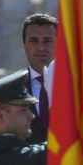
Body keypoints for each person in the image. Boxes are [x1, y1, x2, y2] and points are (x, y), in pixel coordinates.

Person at [21, 13, 56, 143]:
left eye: (47, 41)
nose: (41, 47)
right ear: (24, 46)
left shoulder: (76, 86)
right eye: (34, 41)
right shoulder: (11, 89)